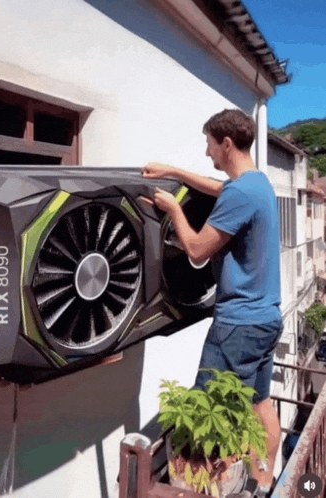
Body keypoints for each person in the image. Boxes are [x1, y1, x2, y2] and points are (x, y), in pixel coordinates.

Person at [142, 109, 282, 498]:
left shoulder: (241, 192)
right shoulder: (258, 185)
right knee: (260, 403)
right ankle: (264, 484)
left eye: (209, 145)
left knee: (213, 415)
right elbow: (221, 190)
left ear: (226, 144)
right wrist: (177, 172)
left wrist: (174, 210)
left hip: (238, 325)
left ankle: (216, 489)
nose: (208, 154)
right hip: (267, 319)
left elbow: (198, 250)